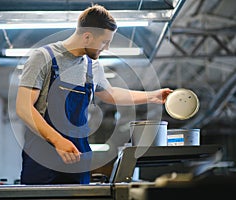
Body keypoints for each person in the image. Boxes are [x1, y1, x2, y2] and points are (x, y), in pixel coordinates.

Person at [16, 4, 172, 185]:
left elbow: (111, 94)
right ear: (87, 37)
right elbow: (23, 108)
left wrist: (151, 96)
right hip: (43, 156)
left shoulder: (92, 66)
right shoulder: (43, 58)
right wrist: (58, 141)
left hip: (78, 155)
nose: (106, 48)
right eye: (105, 42)